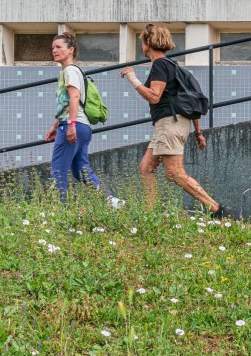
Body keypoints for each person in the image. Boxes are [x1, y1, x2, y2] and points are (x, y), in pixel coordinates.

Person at [120, 23, 229, 218]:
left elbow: (154, 96)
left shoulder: (160, 65)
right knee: (146, 168)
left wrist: (132, 78)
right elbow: (188, 101)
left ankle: (216, 210)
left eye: (142, 42)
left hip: (169, 124)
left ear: (147, 42)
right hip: (172, 123)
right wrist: (198, 132)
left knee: (174, 173)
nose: (141, 46)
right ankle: (151, 213)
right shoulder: (173, 66)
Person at [43, 31, 123, 208]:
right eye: (53, 48)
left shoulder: (70, 71)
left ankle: (59, 209)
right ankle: (112, 202)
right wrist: (55, 125)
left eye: (59, 47)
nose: (54, 51)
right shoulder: (75, 71)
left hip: (74, 125)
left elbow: (74, 98)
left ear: (70, 49)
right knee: (81, 170)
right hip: (83, 126)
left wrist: (69, 125)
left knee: (58, 169)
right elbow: (66, 104)